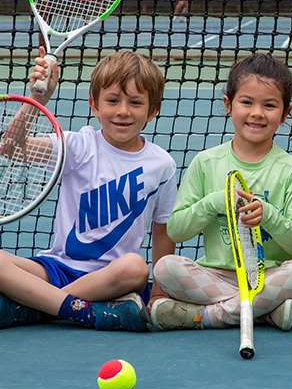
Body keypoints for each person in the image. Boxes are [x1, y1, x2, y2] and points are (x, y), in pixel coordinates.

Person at [0, 48, 177, 331]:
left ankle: (35, 305)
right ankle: (80, 311)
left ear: (153, 111)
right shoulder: (77, 146)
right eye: (112, 100)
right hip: (55, 269)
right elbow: (11, 148)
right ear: (94, 105)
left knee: (136, 267)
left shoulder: (162, 164)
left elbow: (163, 229)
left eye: (135, 102)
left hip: (112, 279)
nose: (122, 111)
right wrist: (37, 100)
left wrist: (159, 293)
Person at [151, 53, 292, 332]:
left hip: (269, 277)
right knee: (165, 268)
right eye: (247, 102)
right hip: (213, 276)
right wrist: (214, 202)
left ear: (285, 112)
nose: (257, 113)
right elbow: (177, 230)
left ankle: (208, 316)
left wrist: (269, 216)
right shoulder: (206, 163)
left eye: (269, 105)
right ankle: (264, 312)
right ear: (228, 104)